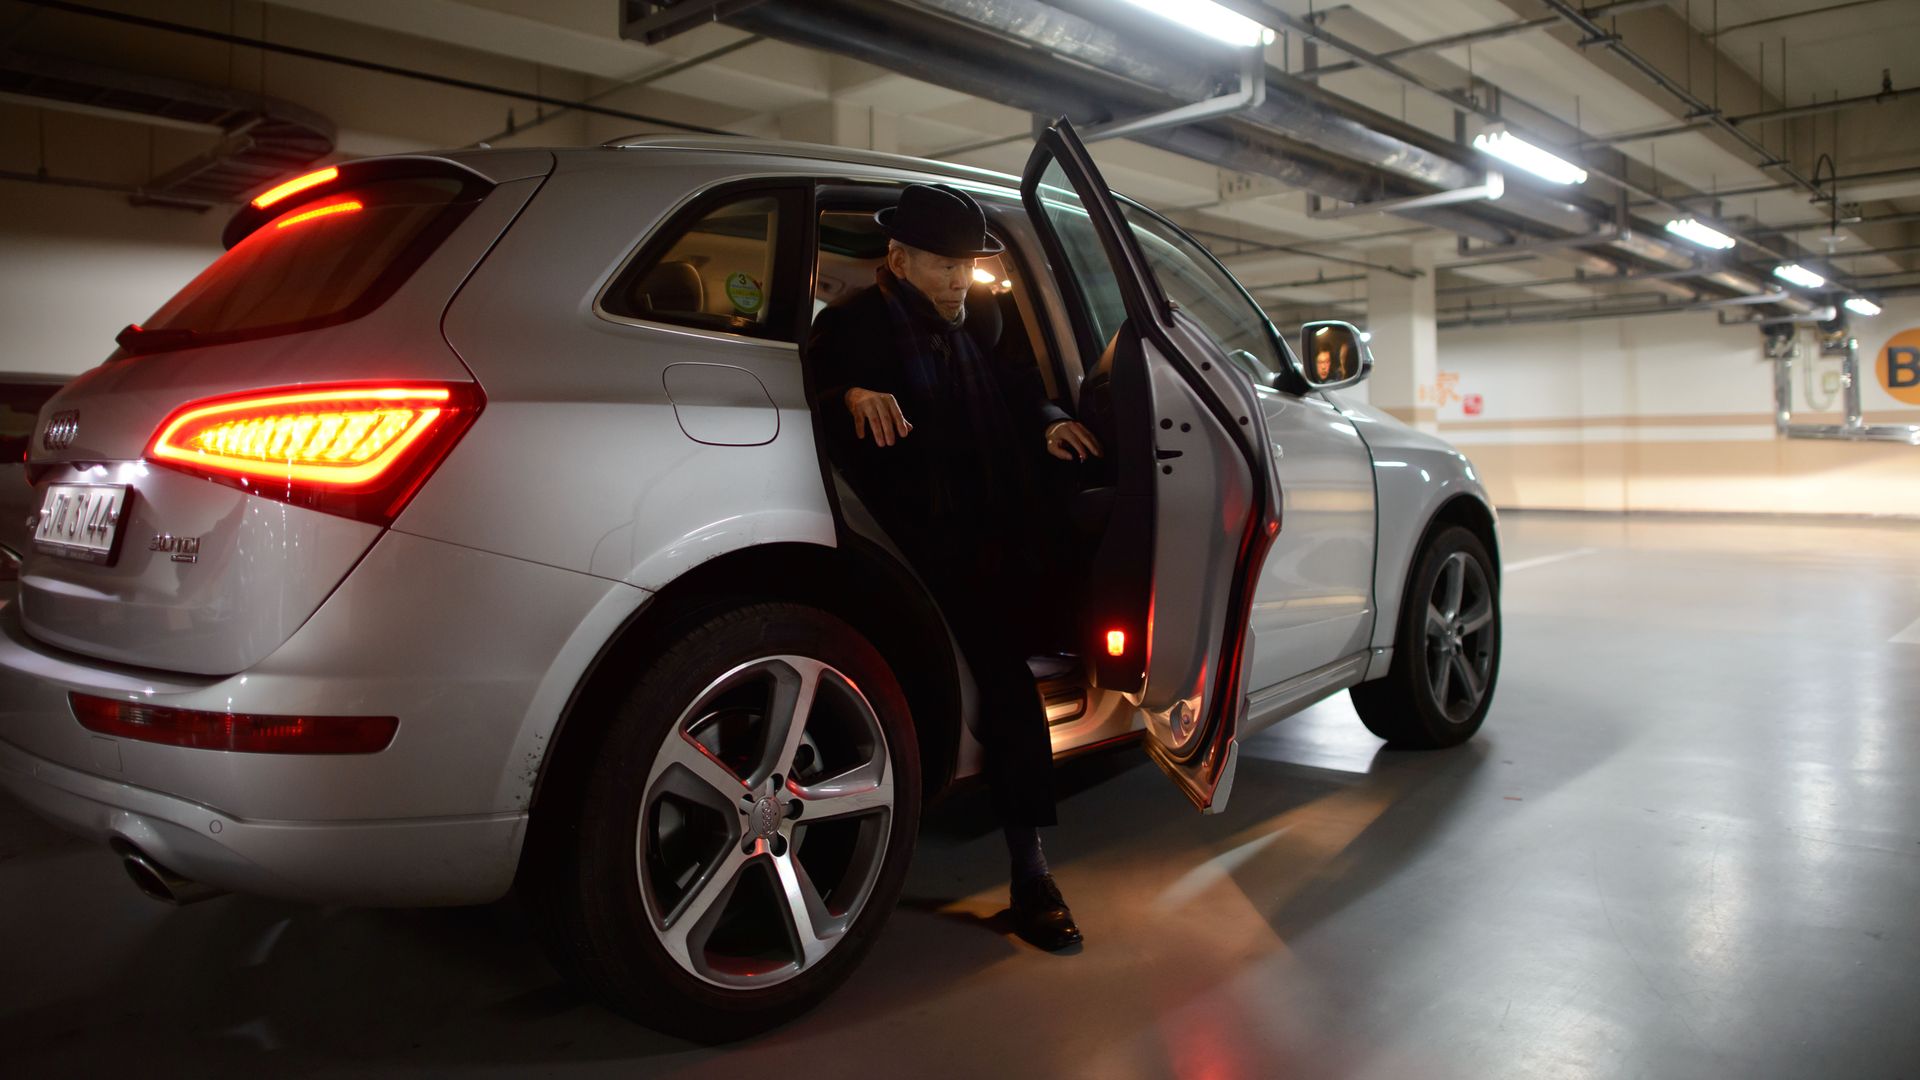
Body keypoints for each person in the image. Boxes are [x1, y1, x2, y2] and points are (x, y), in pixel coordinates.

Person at [809, 183, 1102, 951]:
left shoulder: (974, 331)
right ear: (897, 260)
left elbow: (1017, 394)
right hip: (906, 543)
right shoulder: (852, 327)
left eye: (965, 267)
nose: (956, 281)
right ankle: (1031, 871)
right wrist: (850, 395)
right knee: (1008, 682)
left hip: (988, 534)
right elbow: (812, 383)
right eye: (943, 266)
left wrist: (1050, 421)